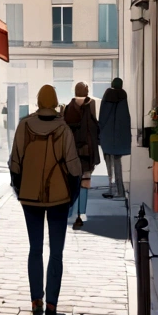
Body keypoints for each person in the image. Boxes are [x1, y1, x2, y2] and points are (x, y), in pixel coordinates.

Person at [9, 83, 81, 315]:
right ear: (55, 101)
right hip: (59, 197)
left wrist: (20, 187)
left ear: (38, 101)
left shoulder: (24, 126)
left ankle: (35, 302)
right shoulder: (64, 130)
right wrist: (74, 192)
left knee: (35, 249)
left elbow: (14, 163)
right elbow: (73, 167)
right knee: (56, 252)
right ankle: (52, 306)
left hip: (30, 197)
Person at [63, 81, 100, 229]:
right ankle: (80, 215)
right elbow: (95, 130)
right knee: (85, 183)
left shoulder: (68, 109)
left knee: (71, 183)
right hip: (87, 153)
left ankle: (68, 212)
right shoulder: (91, 107)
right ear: (86, 91)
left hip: (71, 153)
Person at [99, 76, 131, 199]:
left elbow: (102, 115)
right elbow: (125, 117)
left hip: (107, 134)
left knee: (108, 163)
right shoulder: (123, 96)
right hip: (119, 135)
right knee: (118, 163)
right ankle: (120, 190)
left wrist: (100, 130)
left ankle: (110, 188)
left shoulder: (107, 95)